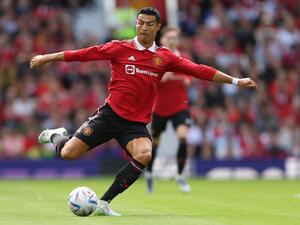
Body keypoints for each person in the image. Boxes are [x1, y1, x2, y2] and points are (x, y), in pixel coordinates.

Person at [30, 7, 257, 216]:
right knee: (68, 153)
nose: (143, 28)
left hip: (135, 123)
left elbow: (200, 70)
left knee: (144, 154)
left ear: (158, 27)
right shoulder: (119, 48)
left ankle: (104, 203)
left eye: (149, 24)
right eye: (140, 23)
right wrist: (47, 58)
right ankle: (55, 135)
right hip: (110, 115)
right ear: (136, 24)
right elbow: (83, 54)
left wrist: (236, 81)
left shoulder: (164, 57)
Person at [145, 26, 192, 193]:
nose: (172, 40)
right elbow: (151, 80)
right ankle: (149, 173)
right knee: (155, 144)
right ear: (162, 40)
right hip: (160, 109)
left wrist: (182, 79)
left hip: (179, 107)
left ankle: (179, 175)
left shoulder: (183, 58)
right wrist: (166, 77)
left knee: (183, 137)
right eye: (169, 38)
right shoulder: (156, 58)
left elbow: (189, 77)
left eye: (175, 38)